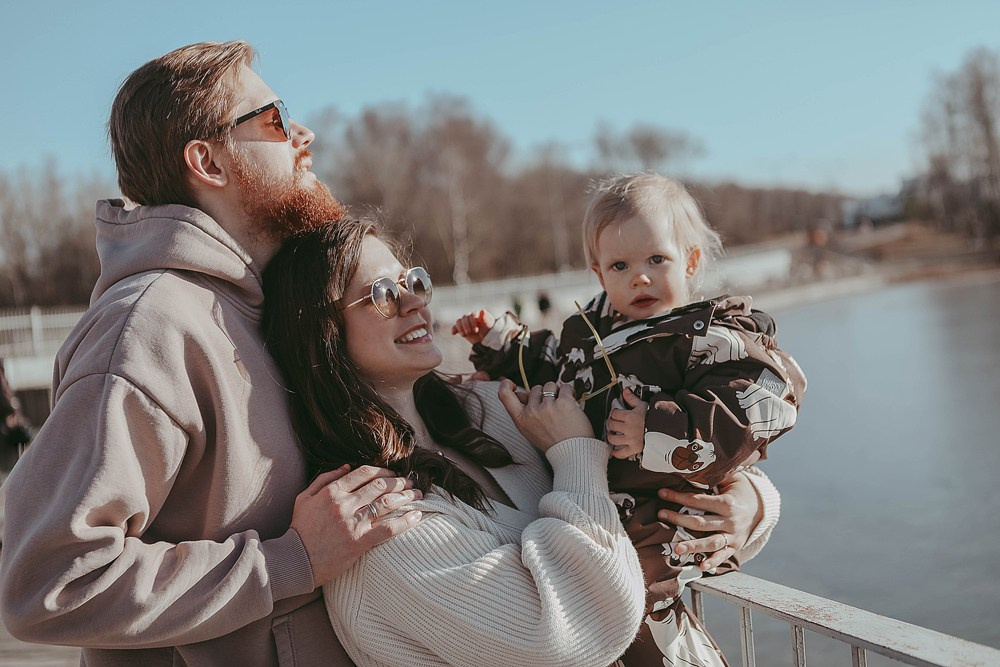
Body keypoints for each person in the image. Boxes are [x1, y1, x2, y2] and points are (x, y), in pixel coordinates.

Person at [0, 41, 422, 665]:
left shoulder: (258, 305)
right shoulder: (150, 328)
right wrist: (289, 562)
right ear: (208, 161)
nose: (303, 134)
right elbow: (47, 582)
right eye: (274, 119)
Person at [261, 217, 782, 666]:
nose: (413, 303)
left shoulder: (492, 410)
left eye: (412, 281)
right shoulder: (371, 519)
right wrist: (575, 454)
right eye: (380, 294)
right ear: (322, 332)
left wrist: (750, 504)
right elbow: (579, 633)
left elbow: (647, 467)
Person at [453, 172, 805, 665]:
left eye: (656, 259)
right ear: (599, 275)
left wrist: (657, 429)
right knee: (596, 606)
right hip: (603, 512)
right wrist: (499, 343)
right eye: (620, 265)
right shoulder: (588, 337)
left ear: (691, 260)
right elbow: (546, 368)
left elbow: (760, 401)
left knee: (629, 603)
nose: (639, 277)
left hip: (667, 514)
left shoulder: (707, 336)